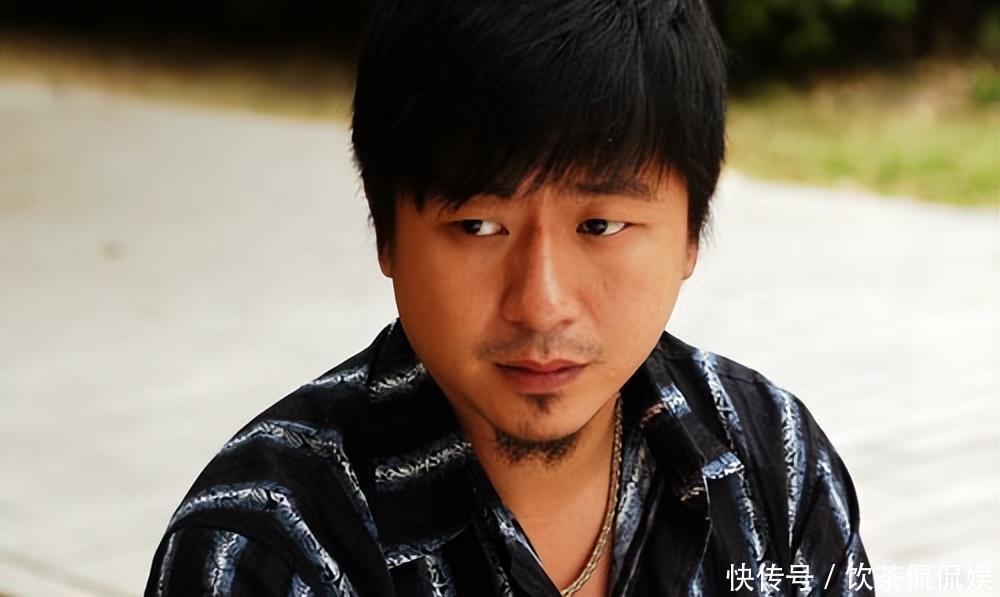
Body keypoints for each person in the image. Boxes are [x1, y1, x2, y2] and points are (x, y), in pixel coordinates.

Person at [146, 0, 874, 595]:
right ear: (387, 234)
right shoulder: (269, 550)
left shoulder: (772, 462)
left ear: (690, 234)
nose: (541, 304)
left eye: (600, 225)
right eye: (478, 226)